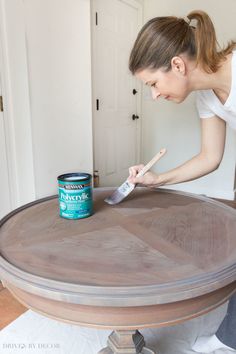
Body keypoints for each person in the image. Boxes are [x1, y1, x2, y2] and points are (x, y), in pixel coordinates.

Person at [128, 9, 236, 354]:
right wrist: (158, 178)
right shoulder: (206, 95)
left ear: (177, 65)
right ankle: (229, 337)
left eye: (152, 84)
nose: (155, 95)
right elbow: (210, 157)